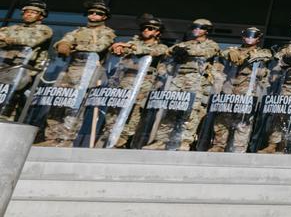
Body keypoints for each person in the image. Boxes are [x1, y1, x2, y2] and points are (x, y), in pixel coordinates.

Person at [40, 0, 117, 146]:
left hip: (87, 71)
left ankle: (66, 139)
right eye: (91, 12)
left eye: (97, 13)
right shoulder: (79, 31)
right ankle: (51, 137)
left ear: (104, 17)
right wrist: (62, 44)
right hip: (69, 70)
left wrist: (74, 47)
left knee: (74, 106)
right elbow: (63, 41)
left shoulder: (107, 32)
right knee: (57, 103)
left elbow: (98, 47)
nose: (93, 15)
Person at [145, 18, 220, 150]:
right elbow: (168, 53)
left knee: (191, 112)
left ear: (207, 31)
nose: (196, 30)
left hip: (196, 80)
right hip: (177, 78)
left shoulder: (211, 44)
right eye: (194, 27)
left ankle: (184, 141)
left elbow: (208, 53)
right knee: (169, 110)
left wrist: (188, 52)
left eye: (200, 27)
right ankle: (161, 141)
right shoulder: (184, 44)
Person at [104, 14, 169, 147]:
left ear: (157, 32)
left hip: (143, 83)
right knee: (114, 109)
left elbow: (150, 51)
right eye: (144, 28)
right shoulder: (131, 44)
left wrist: (129, 47)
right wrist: (116, 47)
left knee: (135, 111)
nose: (146, 30)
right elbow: (117, 51)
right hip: (123, 81)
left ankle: (123, 138)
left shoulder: (161, 47)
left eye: (150, 28)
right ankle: (109, 135)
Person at [209, 26, 272, 153]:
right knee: (223, 117)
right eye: (247, 35)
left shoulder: (264, 51)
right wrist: (233, 52)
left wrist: (246, 55)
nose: (249, 38)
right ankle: (219, 145)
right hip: (229, 86)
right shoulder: (233, 49)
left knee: (243, 119)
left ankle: (238, 147)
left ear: (258, 39)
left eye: (253, 36)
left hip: (248, 88)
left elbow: (266, 56)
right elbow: (223, 52)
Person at [0, 0, 52, 119]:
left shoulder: (44, 29)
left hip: (24, 68)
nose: (28, 14)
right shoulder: (12, 28)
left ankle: (6, 118)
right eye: (27, 12)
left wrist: (7, 39)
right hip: (4, 65)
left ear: (41, 15)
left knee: (13, 97)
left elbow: (31, 41)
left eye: (33, 12)